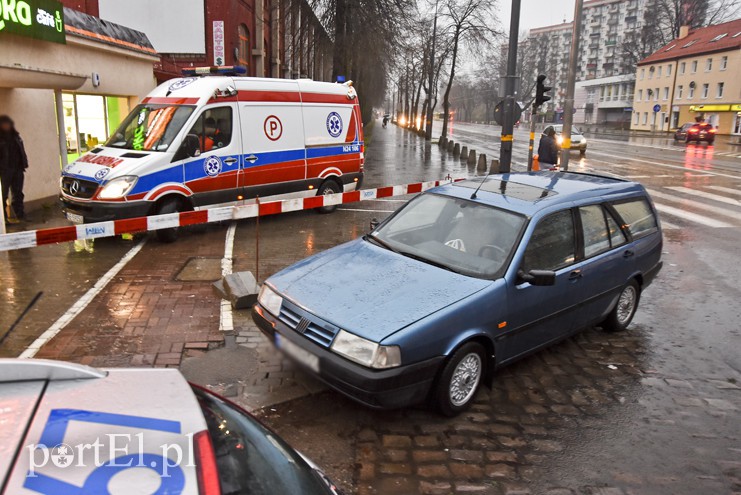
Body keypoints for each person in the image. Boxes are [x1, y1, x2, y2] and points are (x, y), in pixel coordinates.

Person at [0, 115, 29, 224]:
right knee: (3, 195)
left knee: (18, 193)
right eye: (3, 124)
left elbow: (21, 151)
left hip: (18, 169)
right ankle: (3, 220)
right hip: (4, 171)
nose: (6, 126)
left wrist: (24, 164)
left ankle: (20, 215)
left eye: (7, 123)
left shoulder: (16, 136)